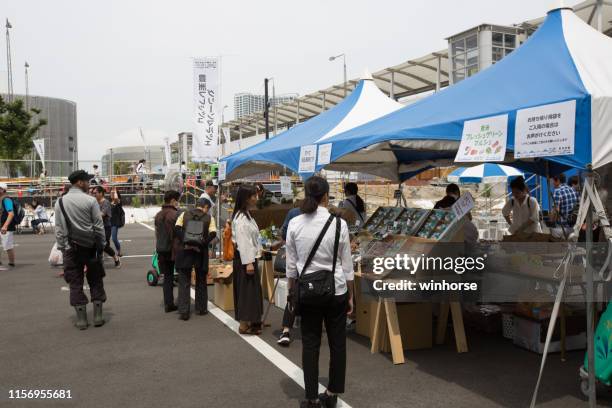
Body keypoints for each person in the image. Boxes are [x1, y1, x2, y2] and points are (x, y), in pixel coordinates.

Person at [286, 176, 354, 408]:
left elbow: (291, 265)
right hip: (336, 290)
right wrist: (351, 294)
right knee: (338, 343)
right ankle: (333, 393)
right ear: (326, 196)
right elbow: (347, 265)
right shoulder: (339, 224)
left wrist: (291, 291)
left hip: (308, 291)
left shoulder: (295, 223)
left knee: (310, 343)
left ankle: (312, 397)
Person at [54, 170, 107, 330]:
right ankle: (98, 316)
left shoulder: (60, 202)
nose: (89, 185)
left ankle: (82, 320)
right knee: (96, 279)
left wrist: (63, 248)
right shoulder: (91, 201)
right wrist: (102, 245)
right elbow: (99, 226)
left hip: (71, 248)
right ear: (80, 182)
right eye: (87, 181)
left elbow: (59, 229)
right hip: (91, 248)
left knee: (75, 282)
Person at [174, 197, 217, 320]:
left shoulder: (184, 214)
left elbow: (177, 228)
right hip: (200, 252)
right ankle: (201, 308)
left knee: (184, 281)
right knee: (201, 281)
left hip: (185, 251)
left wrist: (186, 241)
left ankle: (184, 311)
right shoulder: (209, 218)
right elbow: (213, 233)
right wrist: (201, 244)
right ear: (206, 207)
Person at [231, 184, 263, 334]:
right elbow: (243, 242)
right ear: (246, 198)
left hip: (248, 258)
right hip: (245, 260)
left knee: (250, 292)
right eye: (253, 196)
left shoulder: (246, 214)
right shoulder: (241, 218)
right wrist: (249, 263)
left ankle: (250, 321)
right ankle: (244, 324)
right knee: (247, 292)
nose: (256, 198)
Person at [154, 190, 181, 313]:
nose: (178, 203)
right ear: (173, 200)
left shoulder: (158, 215)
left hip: (161, 249)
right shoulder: (175, 214)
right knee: (182, 276)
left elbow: (156, 233)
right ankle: (182, 302)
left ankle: (168, 304)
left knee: (167, 277)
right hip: (174, 250)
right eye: (177, 201)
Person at [94, 186, 121, 267]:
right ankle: (98, 262)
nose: (94, 194)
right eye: (93, 193)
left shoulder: (106, 202)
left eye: (95, 193)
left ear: (101, 193)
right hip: (96, 227)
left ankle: (116, 258)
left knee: (104, 245)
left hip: (106, 227)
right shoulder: (94, 202)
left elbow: (102, 214)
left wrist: (92, 215)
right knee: (96, 245)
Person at [0, 183, 16, 267]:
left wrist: (5, 226)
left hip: (6, 226)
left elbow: (11, 214)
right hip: (1, 225)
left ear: (3, 190)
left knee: (7, 245)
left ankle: (11, 263)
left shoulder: (6, 199)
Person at [110, 188, 124, 257]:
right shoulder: (108, 202)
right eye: (111, 192)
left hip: (114, 223)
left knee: (114, 239)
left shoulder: (118, 201)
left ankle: (119, 250)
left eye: (113, 193)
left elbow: (116, 199)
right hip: (106, 223)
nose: (111, 193)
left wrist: (115, 190)